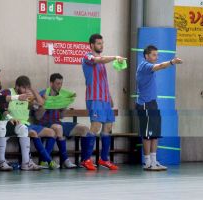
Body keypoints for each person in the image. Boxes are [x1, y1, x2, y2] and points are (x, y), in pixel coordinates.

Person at [81, 33, 126, 170]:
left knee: (108, 127)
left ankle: (104, 159)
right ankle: (86, 159)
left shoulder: (102, 62)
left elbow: (103, 81)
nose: (101, 45)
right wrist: (115, 58)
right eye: (99, 43)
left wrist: (110, 97)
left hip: (105, 99)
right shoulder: (88, 57)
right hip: (94, 98)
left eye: (102, 43)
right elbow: (98, 60)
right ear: (91, 45)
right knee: (95, 127)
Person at [136, 45, 182, 171]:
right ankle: (147, 162)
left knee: (155, 134)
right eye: (154, 55)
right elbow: (160, 66)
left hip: (153, 103)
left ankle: (154, 161)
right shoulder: (144, 66)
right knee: (147, 135)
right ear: (146, 56)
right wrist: (172, 62)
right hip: (144, 104)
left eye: (157, 55)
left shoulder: (149, 68)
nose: (156, 57)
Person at [35, 73, 95, 169]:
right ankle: (65, 160)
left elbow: (61, 116)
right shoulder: (42, 94)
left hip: (58, 122)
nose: (60, 86)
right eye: (57, 83)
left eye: (61, 84)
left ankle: (85, 160)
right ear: (51, 83)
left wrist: (65, 106)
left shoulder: (62, 95)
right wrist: (45, 104)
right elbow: (37, 117)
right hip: (45, 123)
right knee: (58, 128)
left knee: (85, 129)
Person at [0, 75, 61, 169]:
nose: (25, 90)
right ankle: (49, 161)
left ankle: (43, 161)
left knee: (52, 132)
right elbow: (1, 105)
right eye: (24, 87)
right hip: (14, 124)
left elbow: (40, 104)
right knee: (33, 133)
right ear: (17, 86)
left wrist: (33, 91)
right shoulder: (8, 92)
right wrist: (9, 117)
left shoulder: (27, 96)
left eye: (27, 88)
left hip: (27, 124)